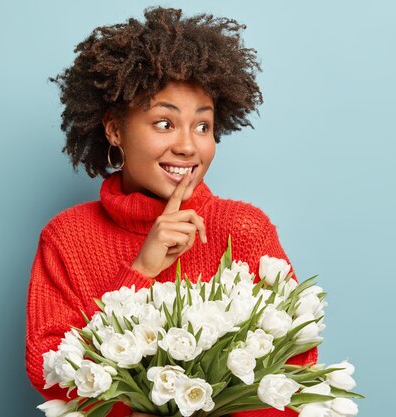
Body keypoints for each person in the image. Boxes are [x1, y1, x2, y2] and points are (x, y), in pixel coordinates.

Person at [25, 7, 317, 417]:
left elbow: (295, 365)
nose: (188, 146)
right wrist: (140, 271)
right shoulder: (67, 237)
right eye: (164, 123)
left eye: (202, 126)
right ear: (113, 128)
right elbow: (48, 367)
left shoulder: (244, 228)